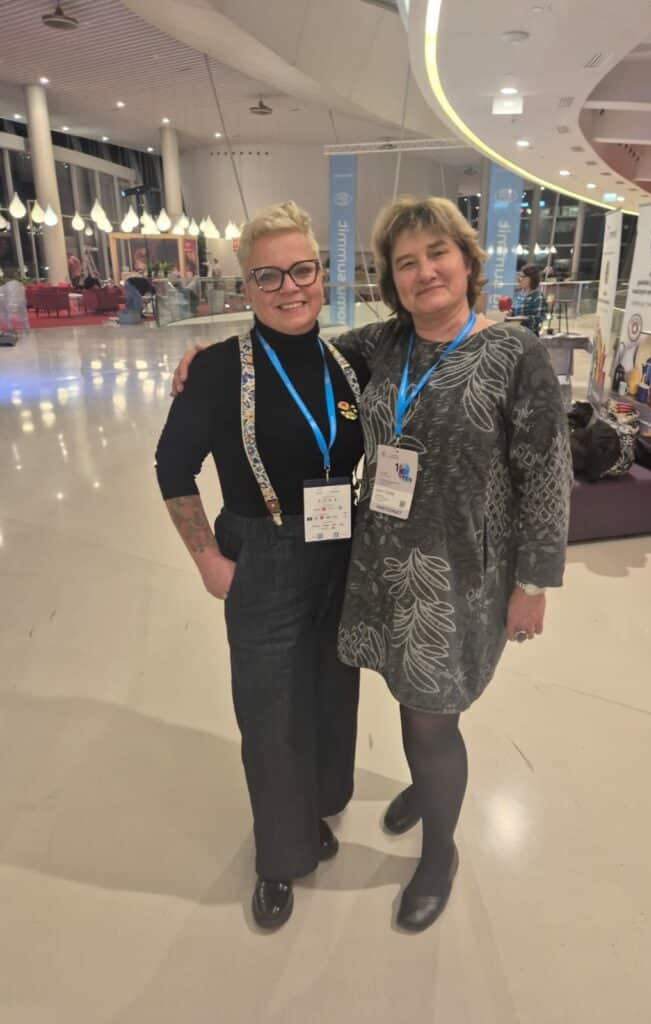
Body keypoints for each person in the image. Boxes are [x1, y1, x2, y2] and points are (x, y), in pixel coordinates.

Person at [173, 196, 571, 933]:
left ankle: (440, 853)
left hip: (459, 573)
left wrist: (534, 583)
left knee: (430, 714)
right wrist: (209, 359)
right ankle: (422, 787)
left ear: (467, 260)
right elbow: (291, 343)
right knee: (398, 697)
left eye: (438, 254)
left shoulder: (515, 354)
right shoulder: (382, 345)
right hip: (375, 560)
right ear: (390, 280)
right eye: (406, 263)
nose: (425, 273)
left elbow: (546, 478)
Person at [156, 201, 366, 930]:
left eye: (302, 270)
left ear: (322, 274)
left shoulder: (350, 361)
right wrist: (207, 559)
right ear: (246, 286)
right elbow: (172, 466)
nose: (289, 287)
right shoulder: (218, 368)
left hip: (342, 550)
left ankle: (317, 808)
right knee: (271, 711)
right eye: (268, 276)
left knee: (332, 691)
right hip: (264, 552)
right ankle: (280, 856)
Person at [512, 262, 548, 335]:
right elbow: (513, 311)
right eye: (520, 276)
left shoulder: (538, 297)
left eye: (523, 277)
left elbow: (538, 319)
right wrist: (510, 314)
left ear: (532, 278)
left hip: (529, 335)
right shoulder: (518, 295)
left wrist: (522, 319)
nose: (520, 279)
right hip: (515, 333)